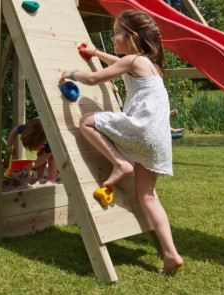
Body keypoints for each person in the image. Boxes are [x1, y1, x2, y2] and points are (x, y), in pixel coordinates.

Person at [60, 10, 183, 275]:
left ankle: (119, 163)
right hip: (158, 139)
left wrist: (71, 72)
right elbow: (119, 61)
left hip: (141, 130)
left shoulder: (132, 60)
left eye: (116, 32)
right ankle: (171, 254)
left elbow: (94, 78)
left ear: (132, 36)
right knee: (147, 197)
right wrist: (96, 53)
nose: (113, 37)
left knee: (87, 123)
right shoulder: (150, 66)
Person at [7, 117, 58, 185]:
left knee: (52, 157)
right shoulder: (26, 129)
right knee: (40, 154)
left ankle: (51, 179)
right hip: (40, 127)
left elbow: (45, 157)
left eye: (40, 146)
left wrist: (31, 165)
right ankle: (40, 178)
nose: (36, 150)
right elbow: (14, 131)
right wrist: (9, 145)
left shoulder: (50, 137)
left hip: (54, 129)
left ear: (44, 142)